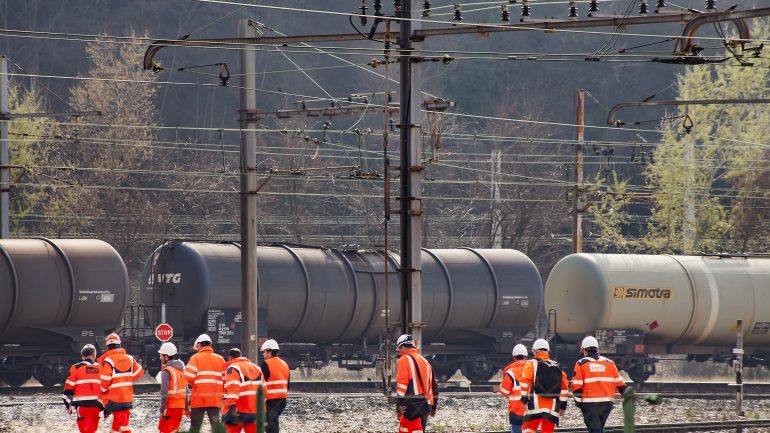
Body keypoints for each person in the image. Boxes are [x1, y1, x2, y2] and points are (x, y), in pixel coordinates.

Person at [571, 336, 627, 433]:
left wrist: (579, 403)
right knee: (599, 428)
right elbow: (620, 383)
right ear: (597, 349)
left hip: (590, 403)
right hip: (607, 403)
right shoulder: (609, 363)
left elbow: (576, 386)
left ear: (584, 350)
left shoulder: (581, 363)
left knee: (595, 430)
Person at [518, 339, 568, 433]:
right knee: (547, 431)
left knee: (528, 429)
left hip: (535, 406)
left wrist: (524, 399)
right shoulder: (557, 366)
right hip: (552, 408)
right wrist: (563, 407)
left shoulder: (531, 363)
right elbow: (564, 387)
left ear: (534, 351)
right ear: (547, 350)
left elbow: (524, 382)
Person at [98, 333, 144, 433]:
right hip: (127, 396)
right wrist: (127, 378)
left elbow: (105, 381)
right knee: (122, 423)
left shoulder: (108, 360)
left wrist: (103, 392)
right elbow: (139, 372)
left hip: (114, 398)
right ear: (119, 344)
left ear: (108, 346)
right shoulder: (130, 358)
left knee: (121, 424)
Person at [394, 334, 439, 433]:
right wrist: (433, 408)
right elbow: (434, 386)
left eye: (399, 349)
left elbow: (401, 387)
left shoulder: (404, 359)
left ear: (403, 347)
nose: (400, 352)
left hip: (412, 406)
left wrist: (398, 408)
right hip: (425, 407)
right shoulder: (425, 361)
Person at [184, 333, 226, 433]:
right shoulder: (220, 359)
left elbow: (188, 377)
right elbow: (225, 379)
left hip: (199, 399)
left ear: (199, 345)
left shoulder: (195, 358)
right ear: (210, 345)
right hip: (214, 399)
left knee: (195, 427)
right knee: (216, 427)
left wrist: (197, 384)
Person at [63, 344, 103, 433]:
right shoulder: (100, 368)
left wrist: (68, 406)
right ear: (94, 355)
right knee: (92, 430)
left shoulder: (76, 367)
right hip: (96, 406)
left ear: (82, 356)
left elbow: (68, 389)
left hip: (82, 406)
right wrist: (107, 409)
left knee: (85, 430)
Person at [223, 348, 263, 433]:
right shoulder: (257, 368)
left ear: (230, 358)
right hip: (255, 410)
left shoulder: (233, 368)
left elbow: (233, 388)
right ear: (241, 356)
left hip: (238, 410)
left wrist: (231, 407)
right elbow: (264, 389)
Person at [158, 342, 189, 433]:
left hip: (170, 408)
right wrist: (186, 408)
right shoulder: (182, 370)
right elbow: (186, 391)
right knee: (174, 430)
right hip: (180, 408)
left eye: (161, 355)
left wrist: (161, 410)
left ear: (166, 357)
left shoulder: (166, 371)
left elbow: (164, 394)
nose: (160, 358)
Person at [260, 339, 289, 433]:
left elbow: (261, 382)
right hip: (282, 401)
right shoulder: (284, 364)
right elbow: (287, 384)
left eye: (264, 352)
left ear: (269, 351)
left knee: (271, 426)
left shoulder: (266, 364)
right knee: (272, 423)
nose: (263, 354)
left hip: (271, 400)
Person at [499, 344, 528, 433]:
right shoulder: (533, 369)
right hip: (532, 410)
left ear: (514, 357)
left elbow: (504, 391)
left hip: (517, 411)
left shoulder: (511, 372)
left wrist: (500, 386)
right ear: (525, 356)